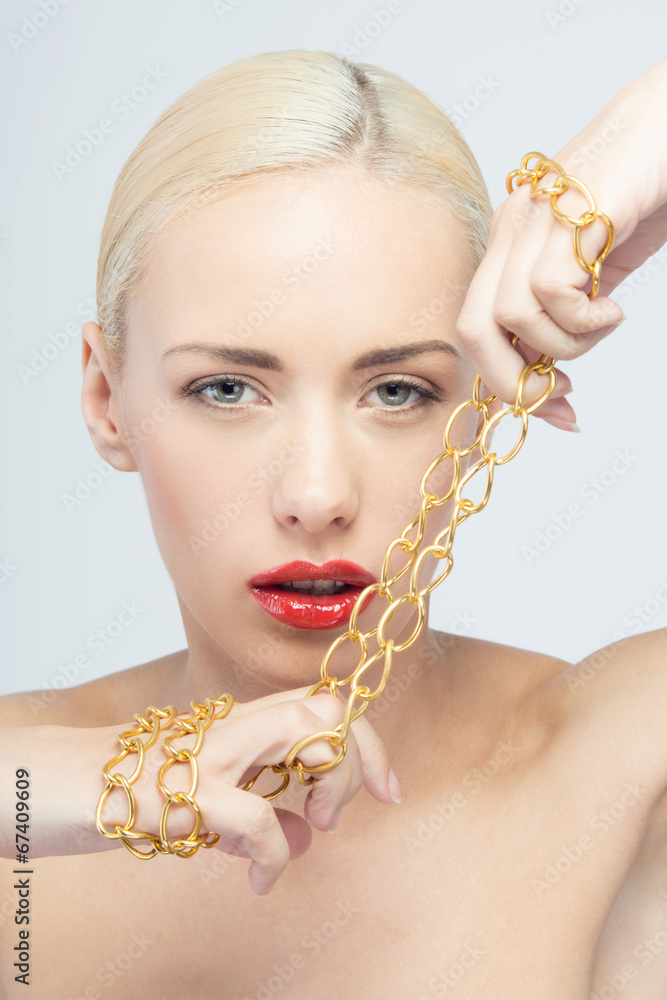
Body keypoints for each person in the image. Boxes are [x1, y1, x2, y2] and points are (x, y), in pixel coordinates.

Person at [0, 47, 665, 1000]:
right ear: (107, 398)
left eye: (398, 390)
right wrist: (61, 789)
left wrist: (647, 125)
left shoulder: (630, 765)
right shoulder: (24, 802)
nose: (316, 495)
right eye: (227, 388)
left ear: (481, 402)